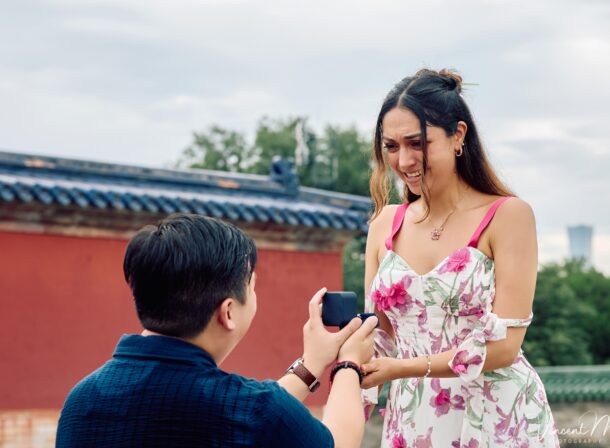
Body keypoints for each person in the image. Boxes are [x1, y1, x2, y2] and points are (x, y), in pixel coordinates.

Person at [359, 69, 559, 447]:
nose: (403, 160)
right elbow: (380, 337)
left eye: (417, 143)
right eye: (391, 146)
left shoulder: (508, 216)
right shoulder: (385, 225)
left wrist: (403, 368)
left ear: (458, 136)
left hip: (496, 415)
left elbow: (504, 347)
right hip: (413, 418)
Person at [56, 213, 377, 448]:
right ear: (228, 312)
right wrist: (349, 363)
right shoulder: (253, 410)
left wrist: (311, 364)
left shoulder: (81, 401)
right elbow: (336, 443)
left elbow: (242, 413)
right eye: (251, 286)